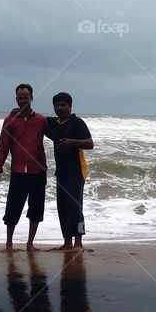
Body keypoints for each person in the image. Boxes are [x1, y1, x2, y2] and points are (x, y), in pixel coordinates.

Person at [0, 84, 48, 252]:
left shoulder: (41, 120)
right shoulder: (9, 121)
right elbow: (3, 146)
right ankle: (9, 244)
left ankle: (30, 243)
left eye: (26, 97)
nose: (23, 100)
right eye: (20, 97)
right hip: (17, 172)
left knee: (36, 209)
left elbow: (56, 135)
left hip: (38, 171)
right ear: (16, 99)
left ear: (32, 97)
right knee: (13, 209)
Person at [45, 92, 93, 251]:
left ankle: (78, 243)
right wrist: (18, 111)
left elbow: (90, 143)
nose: (59, 108)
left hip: (77, 171)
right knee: (63, 207)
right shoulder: (53, 123)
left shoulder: (77, 122)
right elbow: (35, 119)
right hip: (61, 173)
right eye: (56, 105)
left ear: (70, 106)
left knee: (75, 207)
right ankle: (67, 242)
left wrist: (72, 143)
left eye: (63, 105)